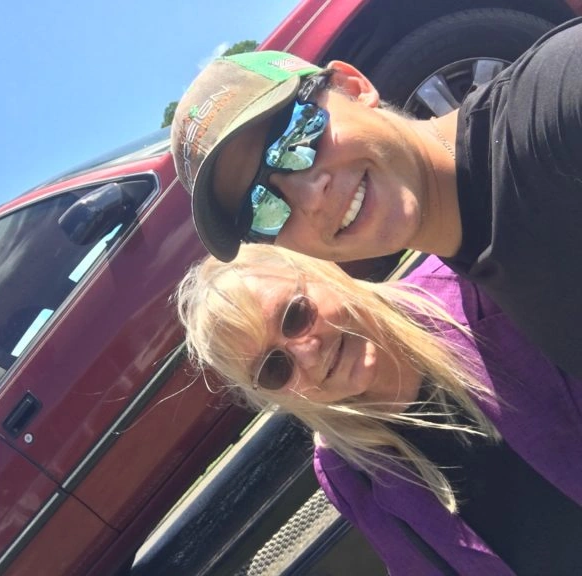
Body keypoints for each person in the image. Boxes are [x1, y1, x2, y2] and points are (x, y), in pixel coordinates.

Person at [169, 18, 582, 379]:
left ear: (353, 86)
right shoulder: (470, 260)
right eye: (262, 207)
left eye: (299, 133)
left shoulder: (557, 107)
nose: (311, 196)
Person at [175, 244, 582, 575]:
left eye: (295, 314)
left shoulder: (477, 291)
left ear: (322, 269)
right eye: (274, 368)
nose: (308, 355)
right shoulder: (346, 472)